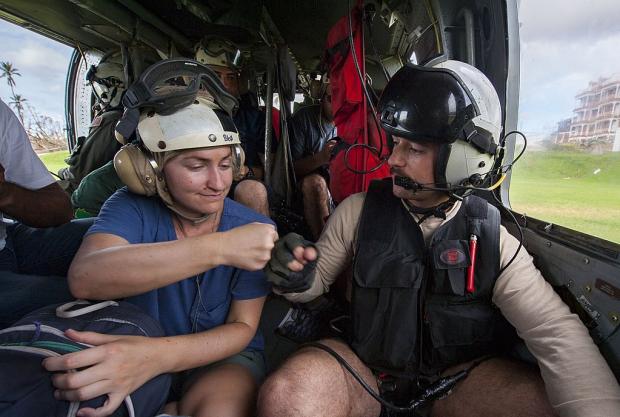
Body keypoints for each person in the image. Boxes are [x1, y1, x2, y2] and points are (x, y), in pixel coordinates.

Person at [257, 61, 620, 417]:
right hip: (364, 371)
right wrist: (296, 277)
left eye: (413, 149)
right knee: (288, 396)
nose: (392, 160)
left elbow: (554, 334)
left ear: (461, 159)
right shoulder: (357, 211)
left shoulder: (493, 238)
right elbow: (315, 282)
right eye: (396, 142)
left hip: (457, 385)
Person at [43, 95, 278, 417]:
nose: (218, 183)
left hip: (218, 355)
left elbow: (241, 327)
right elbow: (86, 278)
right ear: (149, 170)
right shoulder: (128, 205)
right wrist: (222, 248)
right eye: (196, 166)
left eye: (225, 164)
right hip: (134, 341)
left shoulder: (253, 228)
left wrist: (154, 357)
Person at [0, 98, 92, 328]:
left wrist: (5, 193)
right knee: (86, 301)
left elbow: (59, 210)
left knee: (124, 239)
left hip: (8, 239)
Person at [196, 40, 270, 217]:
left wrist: (245, 170)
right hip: (193, 182)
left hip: (238, 184)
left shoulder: (252, 119)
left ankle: (263, 243)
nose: (222, 85)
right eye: (214, 75)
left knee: (252, 191)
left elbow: (269, 169)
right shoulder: (181, 113)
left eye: (230, 77)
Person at [58, 54, 125, 191]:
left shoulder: (110, 120)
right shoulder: (123, 118)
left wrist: (66, 173)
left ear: (111, 87)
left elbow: (82, 173)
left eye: (99, 87)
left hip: (86, 191)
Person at [289, 79, 338, 240]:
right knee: (315, 184)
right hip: (309, 180)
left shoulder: (356, 123)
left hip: (339, 179)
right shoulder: (303, 119)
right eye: (331, 99)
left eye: (342, 99)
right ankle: (324, 244)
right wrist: (321, 158)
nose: (337, 106)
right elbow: (291, 169)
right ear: (321, 98)